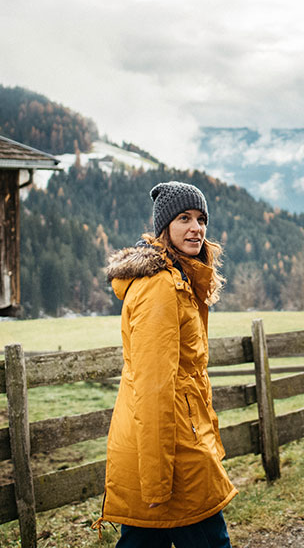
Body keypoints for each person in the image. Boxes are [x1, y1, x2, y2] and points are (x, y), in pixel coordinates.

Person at [94, 181, 236, 547]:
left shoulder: (180, 277)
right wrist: (156, 479)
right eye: (184, 218)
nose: (196, 228)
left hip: (172, 445)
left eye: (201, 219)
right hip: (171, 457)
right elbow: (154, 387)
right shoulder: (160, 286)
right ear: (164, 227)